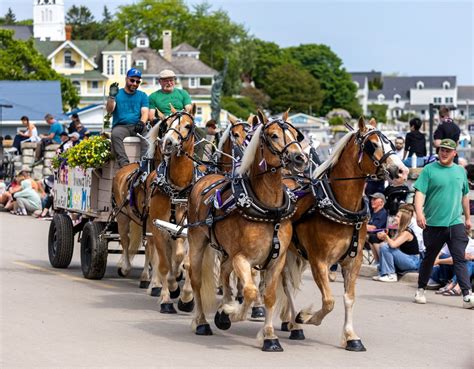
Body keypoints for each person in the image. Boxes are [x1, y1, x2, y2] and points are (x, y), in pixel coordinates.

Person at [413, 138, 472, 309]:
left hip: (455, 223)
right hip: (433, 223)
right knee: (429, 258)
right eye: (441, 150)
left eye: (448, 150)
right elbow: (419, 194)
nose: (444, 153)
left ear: (454, 153)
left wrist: (467, 218)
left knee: (460, 258)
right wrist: (419, 213)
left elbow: (465, 196)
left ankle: (467, 295)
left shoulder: (461, 171)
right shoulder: (429, 170)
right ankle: (421, 289)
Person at [106, 68, 149, 168]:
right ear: (126, 79)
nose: (134, 83)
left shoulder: (142, 95)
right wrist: (111, 97)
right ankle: (125, 165)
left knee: (147, 137)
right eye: (132, 80)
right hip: (121, 126)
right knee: (115, 134)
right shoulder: (118, 94)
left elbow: (145, 112)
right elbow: (109, 110)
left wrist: (142, 122)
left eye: (137, 81)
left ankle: (144, 164)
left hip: (137, 125)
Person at [372, 207, 421, 282]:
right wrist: (383, 237)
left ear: (403, 219)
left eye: (398, 216)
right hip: (405, 258)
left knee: (385, 247)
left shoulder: (407, 232)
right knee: (383, 246)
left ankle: (391, 274)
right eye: (396, 216)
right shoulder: (399, 230)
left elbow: (393, 245)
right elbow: (391, 244)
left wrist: (386, 237)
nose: (395, 218)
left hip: (413, 261)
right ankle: (384, 273)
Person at [366, 192, 388, 263]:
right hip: (373, 235)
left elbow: (373, 228)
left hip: (382, 236)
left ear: (381, 202)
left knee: (372, 237)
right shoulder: (373, 212)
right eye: (372, 199)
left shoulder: (382, 213)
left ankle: (380, 261)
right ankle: (377, 261)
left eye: (375, 199)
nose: (372, 201)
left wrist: (361, 225)